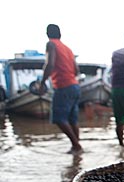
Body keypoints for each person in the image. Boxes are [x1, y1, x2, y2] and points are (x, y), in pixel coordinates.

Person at [40, 24, 82, 154]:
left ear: (47, 34)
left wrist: (42, 82)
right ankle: (76, 147)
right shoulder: (68, 49)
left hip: (63, 86)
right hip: (74, 86)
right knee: (72, 119)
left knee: (59, 118)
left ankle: (76, 145)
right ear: (60, 34)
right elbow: (77, 70)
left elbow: (50, 64)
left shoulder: (51, 44)